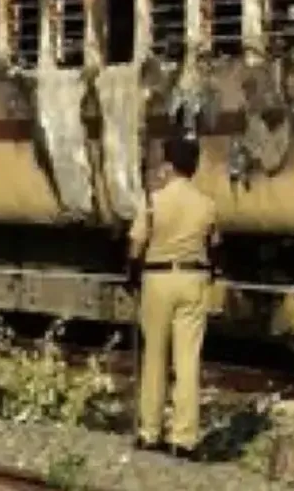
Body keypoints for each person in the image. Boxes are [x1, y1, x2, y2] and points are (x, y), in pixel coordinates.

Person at [127, 133, 220, 462]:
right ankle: (185, 438)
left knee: (154, 357)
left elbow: (136, 244)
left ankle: (149, 432)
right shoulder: (207, 204)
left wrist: (132, 273)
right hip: (194, 279)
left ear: (169, 164)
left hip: (157, 279)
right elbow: (215, 244)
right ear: (193, 167)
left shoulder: (153, 201)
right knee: (188, 360)